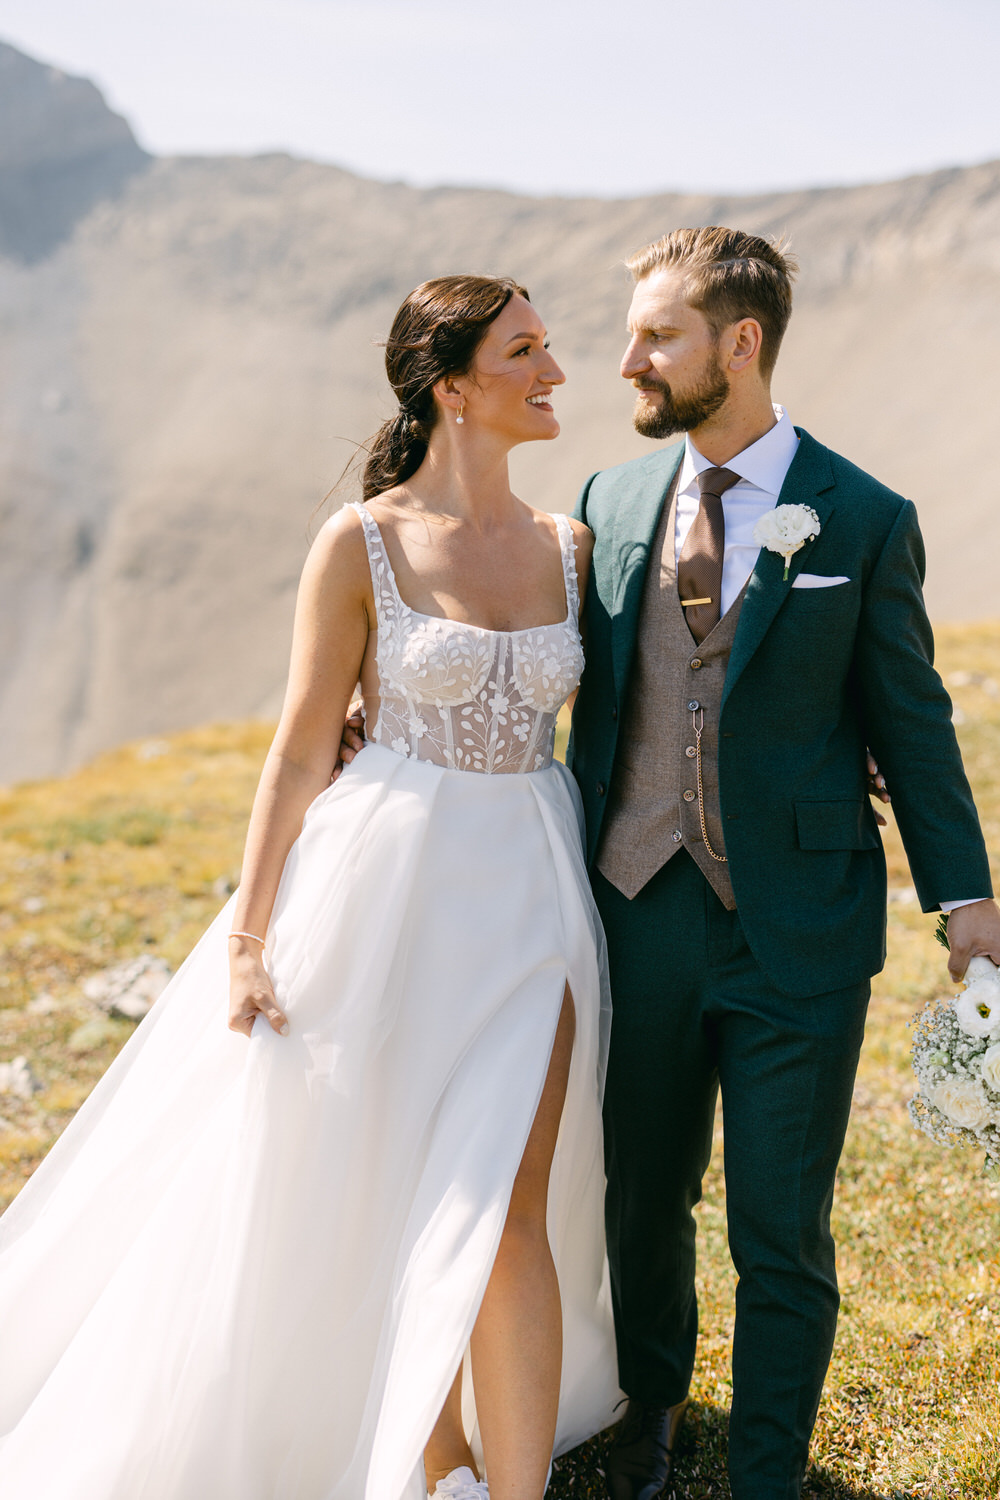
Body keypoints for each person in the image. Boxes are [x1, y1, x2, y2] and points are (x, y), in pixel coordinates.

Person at [0, 275, 621, 1500]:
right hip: (385, 885)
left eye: (551, 347)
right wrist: (248, 932)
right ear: (453, 387)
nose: (555, 372)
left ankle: (510, 1490)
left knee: (511, 1197)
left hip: (531, 892)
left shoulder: (571, 544)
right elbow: (296, 744)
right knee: (375, 1179)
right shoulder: (363, 543)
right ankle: (419, 1445)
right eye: (526, 352)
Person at [567, 225, 1000, 1500]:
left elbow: (909, 719)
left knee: (780, 1226)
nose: (629, 359)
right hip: (633, 905)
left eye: (657, 335)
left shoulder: (863, 517)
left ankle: (765, 1473)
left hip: (797, 928)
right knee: (642, 1197)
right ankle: (652, 1407)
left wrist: (964, 895)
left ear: (738, 343)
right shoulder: (607, 503)